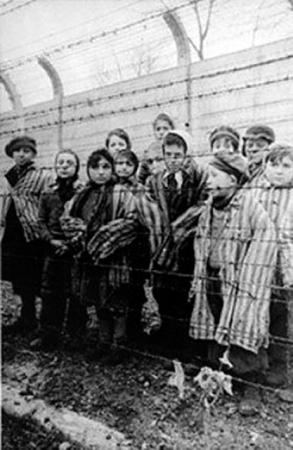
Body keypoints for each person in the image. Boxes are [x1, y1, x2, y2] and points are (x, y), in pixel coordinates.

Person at [188, 151, 277, 416]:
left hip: (243, 282)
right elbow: (201, 242)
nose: (209, 181)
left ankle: (251, 385)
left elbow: (266, 240)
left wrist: (248, 284)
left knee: (244, 328)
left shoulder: (250, 205)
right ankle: (217, 375)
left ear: (233, 179)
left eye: (215, 176)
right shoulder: (208, 207)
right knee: (215, 323)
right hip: (213, 277)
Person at [65, 149, 137, 363]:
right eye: (95, 167)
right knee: (98, 300)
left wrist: (105, 237)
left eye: (106, 167)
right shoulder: (82, 195)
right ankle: (103, 342)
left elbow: (132, 221)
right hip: (88, 258)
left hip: (113, 257)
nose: (101, 172)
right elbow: (69, 220)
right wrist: (79, 233)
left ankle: (118, 345)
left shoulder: (121, 193)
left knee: (116, 301)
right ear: (88, 170)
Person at [144, 129, 208, 356]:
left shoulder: (196, 177)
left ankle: (183, 342)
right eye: (168, 154)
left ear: (186, 155)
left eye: (178, 155)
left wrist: (180, 229)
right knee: (162, 292)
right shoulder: (155, 181)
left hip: (185, 247)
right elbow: (149, 208)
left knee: (182, 294)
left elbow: (202, 205)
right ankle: (167, 336)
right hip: (161, 247)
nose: (173, 159)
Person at [31, 149, 85, 351]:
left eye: (69, 163)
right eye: (60, 162)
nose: (64, 166)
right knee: (50, 293)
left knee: (76, 293)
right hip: (53, 249)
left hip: (75, 250)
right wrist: (51, 240)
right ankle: (49, 336)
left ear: (76, 167)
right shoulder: (48, 192)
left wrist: (72, 243)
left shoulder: (82, 191)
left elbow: (86, 221)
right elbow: (41, 221)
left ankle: (75, 337)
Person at [251, 144, 293, 387]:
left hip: (285, 267)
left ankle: (281, 366)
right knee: (259, 314)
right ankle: (260, 363)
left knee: (284, 318)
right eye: (273, 164)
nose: (278, 171)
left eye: (286, 166)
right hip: (259, 266)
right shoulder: (256, 192)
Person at [1, 136, 51, 334]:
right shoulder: (9, 176)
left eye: (26, 151)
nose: (21, 154)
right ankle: (26, 317)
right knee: (17, 277)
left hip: (31, 233)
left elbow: (48, 201)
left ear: (33, 154)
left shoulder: (41, 176)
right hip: (13, 231)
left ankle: (45, 322)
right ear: (12, 153)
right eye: (17, 150)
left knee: (34, 275)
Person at [137, 112, 174, 185]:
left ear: (172, 130)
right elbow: (141, 177)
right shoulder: (150, 152)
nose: (161, 132)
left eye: (165, 128)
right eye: (158, 129)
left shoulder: (177, 150)